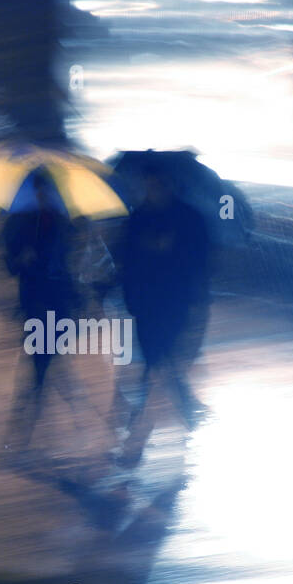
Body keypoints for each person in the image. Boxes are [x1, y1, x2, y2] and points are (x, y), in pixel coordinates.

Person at [112, 169, 212, 465]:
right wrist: (129, 296)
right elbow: (126, 260)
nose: (153, 188)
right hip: (146, 305)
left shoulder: (189, 219)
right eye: (149, 183)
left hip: (175, 304)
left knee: (158, 367)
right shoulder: (138, 218)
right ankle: (189, 412)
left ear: (170, 185)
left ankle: (135, 444)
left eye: (158, 183)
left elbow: (199, 263)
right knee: (162, 366)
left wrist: (170, 252)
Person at [0, 172, 87, 453]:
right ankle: (31, 431)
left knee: (46, 365)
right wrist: (20, 259)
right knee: (43, 365)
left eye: (46, 190)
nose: (42, 196)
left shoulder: (64, 223)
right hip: (36, 303)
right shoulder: (20, 224)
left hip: (58, 303)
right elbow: (9, 264)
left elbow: (72, 263)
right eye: (38, 191)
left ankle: (25, 434)